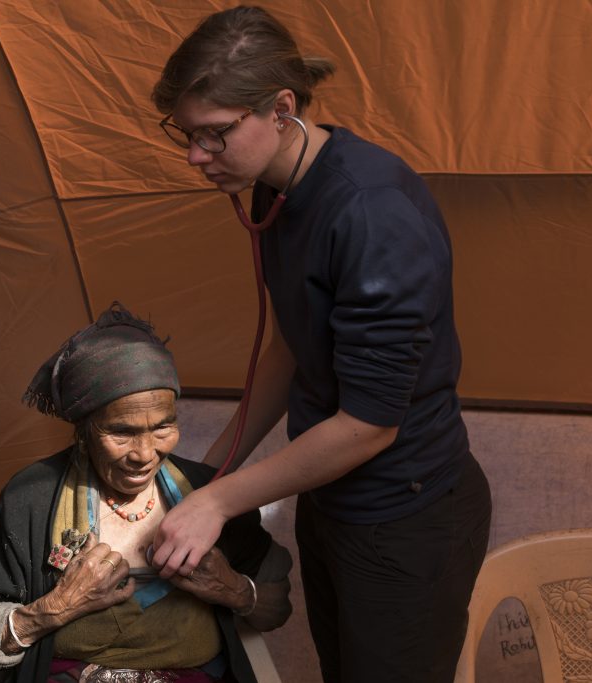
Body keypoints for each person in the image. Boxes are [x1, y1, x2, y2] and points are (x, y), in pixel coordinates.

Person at [148, 7, 492, 683]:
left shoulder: (370, 213)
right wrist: (204, 475)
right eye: (186, 135)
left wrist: (219, 502)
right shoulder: (277, 188)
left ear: (281, 108)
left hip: (406, 515)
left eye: (214, 136)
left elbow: (368, 427)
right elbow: (288, 349)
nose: (195, 157)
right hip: (330, 499)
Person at [0, 303, 293, 683]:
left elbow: (276, 609)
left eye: (163, 427)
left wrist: (235, 590)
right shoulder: (33, 497)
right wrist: (54, 609)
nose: (145, 455)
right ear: (84, 429)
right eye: (122, 432)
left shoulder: (209, 494)